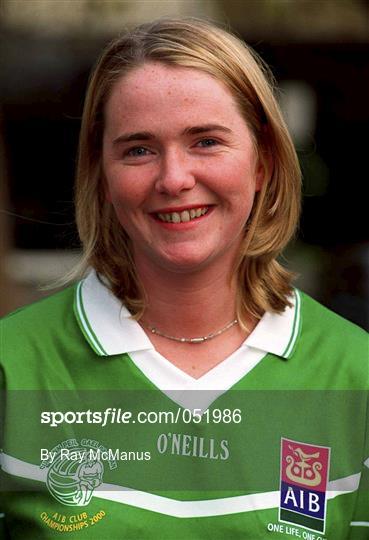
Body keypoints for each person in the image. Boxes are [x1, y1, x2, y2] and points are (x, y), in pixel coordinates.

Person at [0, 17, 367, 540]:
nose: (174, 179)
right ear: (101, 174)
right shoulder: (11, 365)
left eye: (206, 142)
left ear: (262, 161)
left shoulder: (355, 374)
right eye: (139, 149)